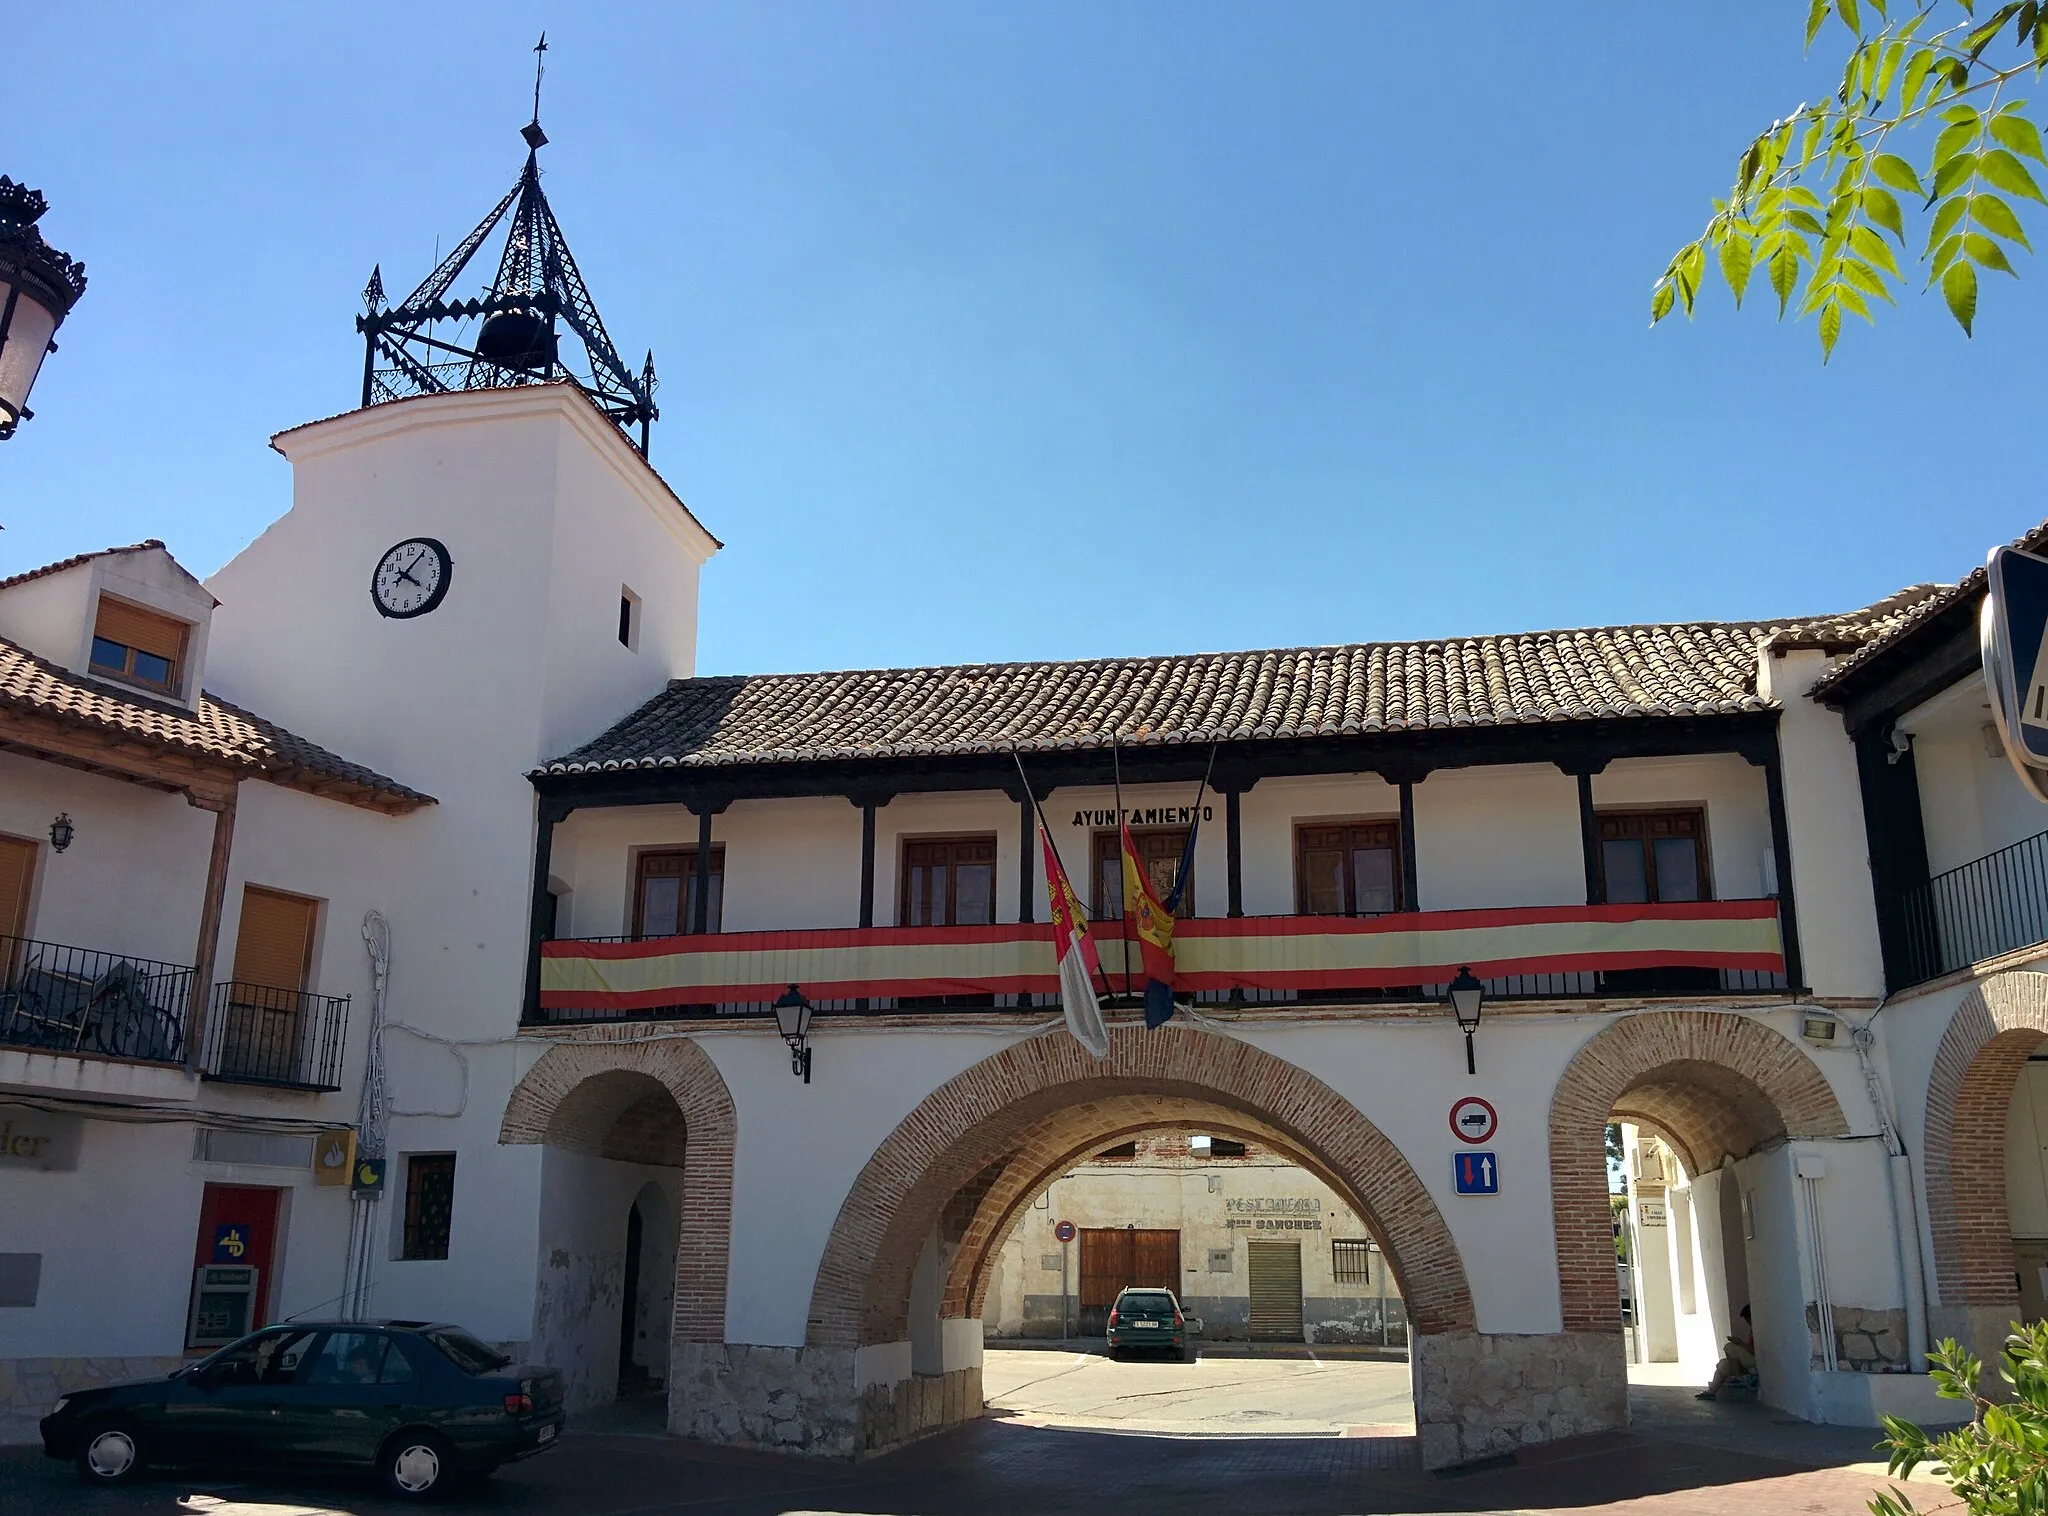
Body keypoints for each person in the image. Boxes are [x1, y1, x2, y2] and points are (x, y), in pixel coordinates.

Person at [1697, 1303, 1755, 1400]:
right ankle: (1710, 1392)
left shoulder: (1759, 1331)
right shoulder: (1753, 1331)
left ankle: (1739, 1376)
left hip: (1755, 1363)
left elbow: (1757, 1352)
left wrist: (1740, 1343)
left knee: (1729, 1347)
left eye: (1748, 1319)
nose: (1747, 1322)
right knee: (1723, 1365)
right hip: (1748, 1362)